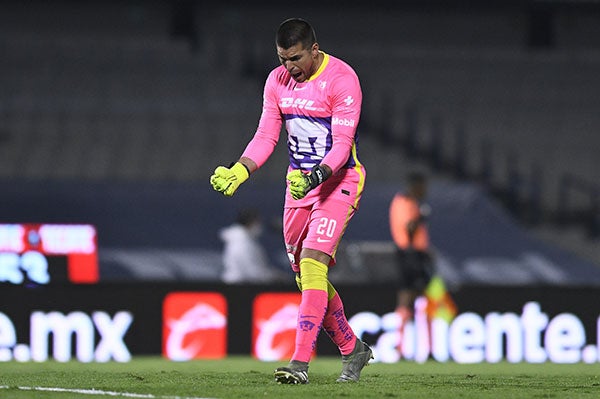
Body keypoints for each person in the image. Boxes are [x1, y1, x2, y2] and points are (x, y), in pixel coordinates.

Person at [210, 18, 372, 384]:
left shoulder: (342, 80)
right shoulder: (276, 81)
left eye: (295, 58)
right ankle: (353, 349)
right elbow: (266, 134)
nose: (289, 67)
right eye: (282, 59)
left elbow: (343, 148)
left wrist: (316, 176)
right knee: (304, 277)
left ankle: (299, 364)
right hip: (297, 186)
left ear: (314, 50)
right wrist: (240, 170)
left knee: (314, 264)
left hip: (338, 181)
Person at [389, 172, 434, 335]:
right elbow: (409, 228)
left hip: (416, 254)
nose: (425, 191)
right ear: (417, 186)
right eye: (423, 187)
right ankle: (400, 341)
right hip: (409, 255)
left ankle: (418, 342)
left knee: (416, 297)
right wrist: (420, 216)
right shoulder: (405, 201)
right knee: (408, 296)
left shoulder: (412, 202)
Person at [220, 208, 287, 284]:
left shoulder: (246, 241)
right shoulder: (241, 243)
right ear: (250, 222)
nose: (259, 226)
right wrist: (276, 276)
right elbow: (253, 272)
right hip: (238, 287)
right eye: (257, 222)